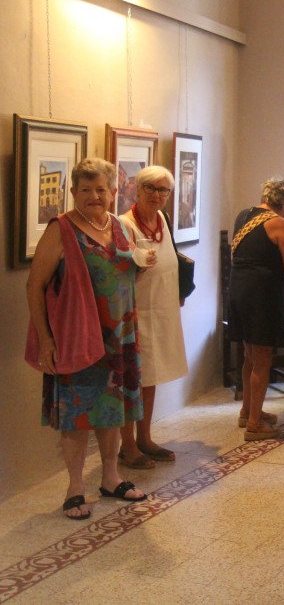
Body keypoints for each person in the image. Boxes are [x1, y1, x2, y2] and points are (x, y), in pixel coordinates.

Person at [26, 158, 149, 520]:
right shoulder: (61, 230)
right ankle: (75, 488)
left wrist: (143, 265)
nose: (94, 196)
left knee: (111, 411)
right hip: (77, 336)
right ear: (73, 192)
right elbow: (34, 286)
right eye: (85, 189)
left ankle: (111, 477)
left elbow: (125, 275)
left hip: (119, 337)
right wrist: (46, 340)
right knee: (77, 415)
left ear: (114, 192)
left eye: (101, 189)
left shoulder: (119, 226)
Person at [117, 166, 188, 468]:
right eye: (151, 188)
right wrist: (138, 265)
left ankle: (144, 438)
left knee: (151, 376)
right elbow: (118, 270)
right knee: (132, 378)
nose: (157, 195)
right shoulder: (124, 224)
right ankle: (128, 445)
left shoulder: (162, 219)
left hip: (162, 309)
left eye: (163, 190)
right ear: (137, 189)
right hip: (136, 312)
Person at [227, 177, 284, 442]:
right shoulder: (278, 223)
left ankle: (247, 410)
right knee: (263, 359)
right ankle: (255, 424)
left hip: (238, 290)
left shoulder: (243, 216)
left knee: (249, 356)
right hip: (261, 295)